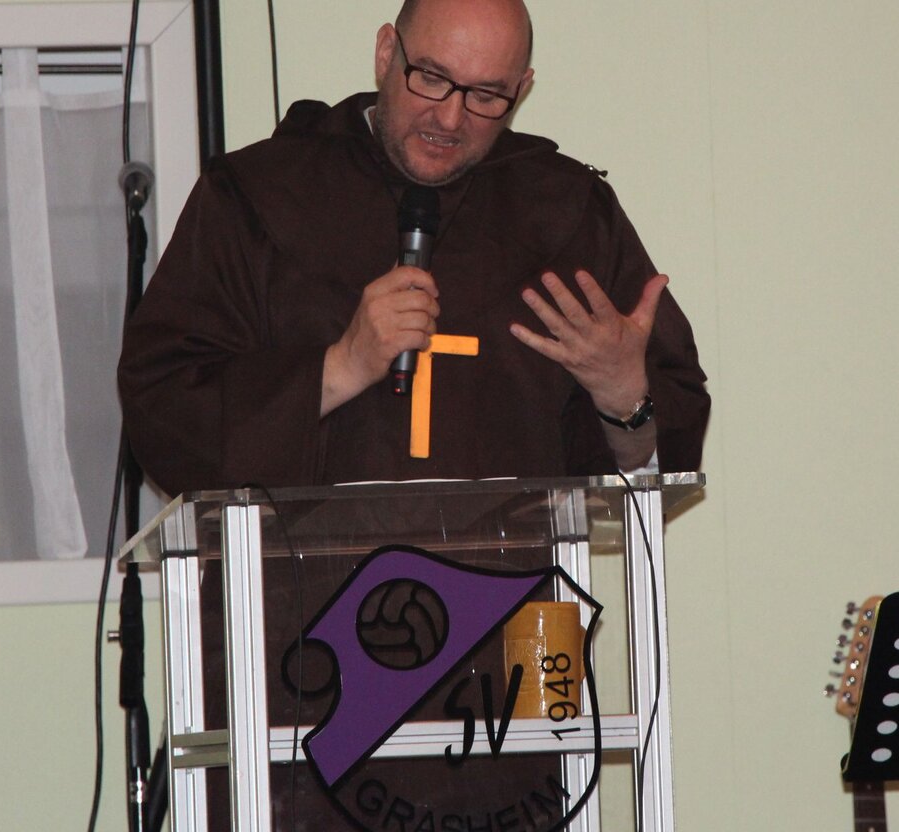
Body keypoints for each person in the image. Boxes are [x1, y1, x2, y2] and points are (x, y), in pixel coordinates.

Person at [119, 0, 709, 828]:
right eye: (430, 78)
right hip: (300, 665)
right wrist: (339, 368)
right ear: (384, 53)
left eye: (486, 95)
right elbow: (160, 407)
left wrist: (625, 398)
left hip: (519, 666)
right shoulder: (256, 197)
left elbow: (658, 437)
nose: (450, 116)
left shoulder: (565, 211)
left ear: (523, 91)